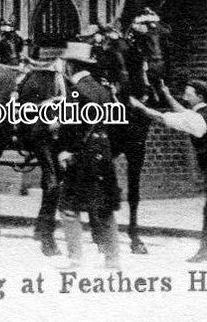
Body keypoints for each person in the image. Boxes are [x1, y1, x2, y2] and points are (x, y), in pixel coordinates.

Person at [132, 79, 207, 267]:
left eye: (189, 92)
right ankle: (206, 251)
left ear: (199, 97)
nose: (186, 94)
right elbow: (183, 112)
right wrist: (167, 94)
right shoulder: (203, 113)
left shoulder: (196, 118)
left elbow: (164, 118)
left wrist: (140, 107)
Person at [56, 42, 122, 269]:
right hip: (102, 154)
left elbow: (72, 125)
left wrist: (67, 150)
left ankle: (75, 258)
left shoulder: (75, 91)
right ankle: (112, 259)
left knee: (68, 207)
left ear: (71, 66)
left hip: (81, 156)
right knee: (103, 206)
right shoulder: (102, 90)